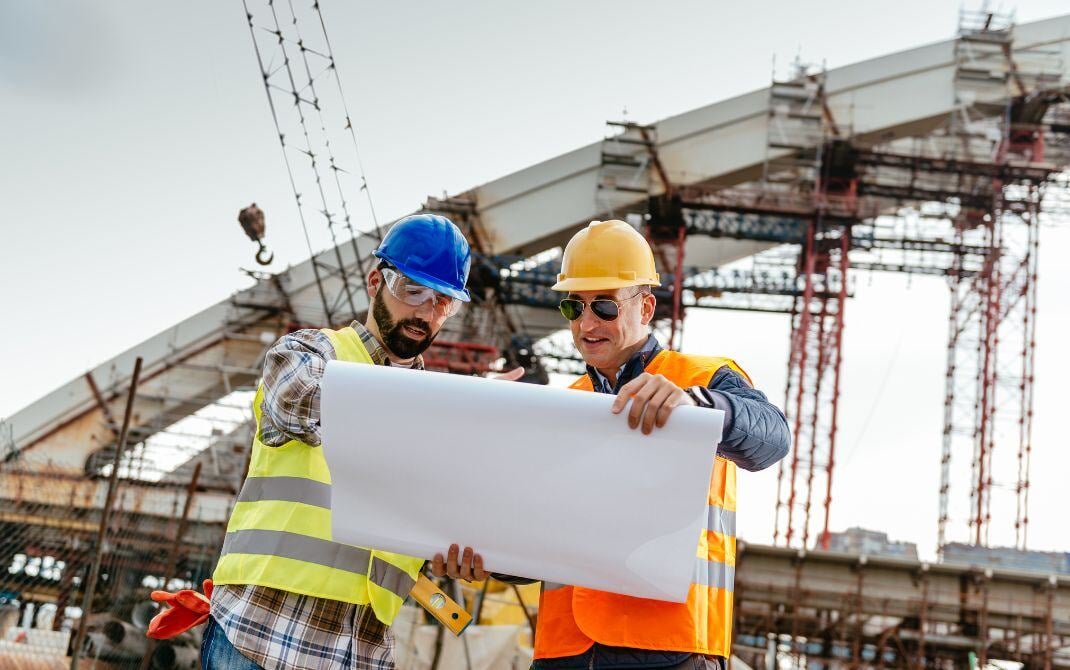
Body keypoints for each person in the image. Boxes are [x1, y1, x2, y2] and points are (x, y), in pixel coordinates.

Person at [204, 214, 490, 670]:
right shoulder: (310, 353)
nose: (424, 312)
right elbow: (301, 404)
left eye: (442, 302)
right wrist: (456, 412)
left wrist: (462, 552)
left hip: (361, 650)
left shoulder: (439, 414)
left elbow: (432, 523)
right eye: (412, 291)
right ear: (375, 281)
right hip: (263, 635)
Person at [533, 220, 791, 670]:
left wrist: (698, 407)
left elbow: (772, 438)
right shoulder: (564, 404)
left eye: (605, 308)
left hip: (671, 649)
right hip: (564, 651)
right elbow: (541, 538)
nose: (586, 324)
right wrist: (485, 558)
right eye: (573, 307)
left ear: (646, 307)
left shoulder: (702, 380)